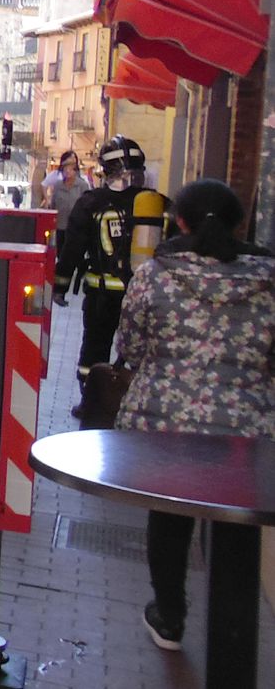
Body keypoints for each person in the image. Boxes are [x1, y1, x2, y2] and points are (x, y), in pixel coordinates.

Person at [113, 179, 275, 651]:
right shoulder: (269, 279)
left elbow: (133, 346)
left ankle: (170, 616)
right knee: (237, 524)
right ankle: (233, 633)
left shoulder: (155, 273)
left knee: (169, 516)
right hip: (247, 429)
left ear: (179, 221)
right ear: (238, 224)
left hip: (167, 423)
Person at [55, 135, 169, 391]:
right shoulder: (158, 204)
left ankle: (91, 399)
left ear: (106, 170)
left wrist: (60, 286)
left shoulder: (91, 203)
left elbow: (72, 250)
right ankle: (133, 397)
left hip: (102, 295)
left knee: (96, 347)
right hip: (148, 297)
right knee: (142, 349)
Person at [41, 150, 91, 306]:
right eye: (65, 170)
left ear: (75, 171)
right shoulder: (57, 185)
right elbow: (53, 204)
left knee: (69, 258)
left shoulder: (82, 186)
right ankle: (59, 291)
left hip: (76, 228)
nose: (67, 172)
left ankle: (65, 288)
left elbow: (87, 206)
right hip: (61, 226)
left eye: (70, 169)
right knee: (62, 258)